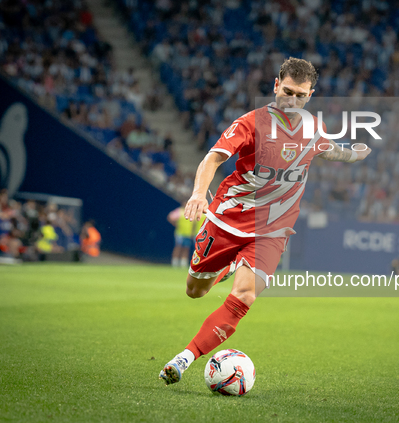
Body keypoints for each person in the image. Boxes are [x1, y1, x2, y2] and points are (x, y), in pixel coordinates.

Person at [159, 57, 371, 385]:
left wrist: (355, 153)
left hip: (273, 229)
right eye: (288, 91)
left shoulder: (314, 127)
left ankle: (185, 358)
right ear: (276, 86)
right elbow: (213, 157)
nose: (293, 100)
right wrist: (199, 194)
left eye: (301, 95)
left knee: (245, 296)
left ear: (310, 95)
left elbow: (329, 150)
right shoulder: (251, 123)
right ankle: (228, 266)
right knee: (195, 291)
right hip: (228, 219)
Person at [167, 202, 204, 267]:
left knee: (186, 248)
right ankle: (175, 262)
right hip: (180, 233)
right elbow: (170, 217)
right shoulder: (180, 211)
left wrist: (192, 233)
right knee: (178, 247)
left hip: (188, 233)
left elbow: (194, 224)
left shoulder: (193, 212)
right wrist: (175, 224)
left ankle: (183, 263)